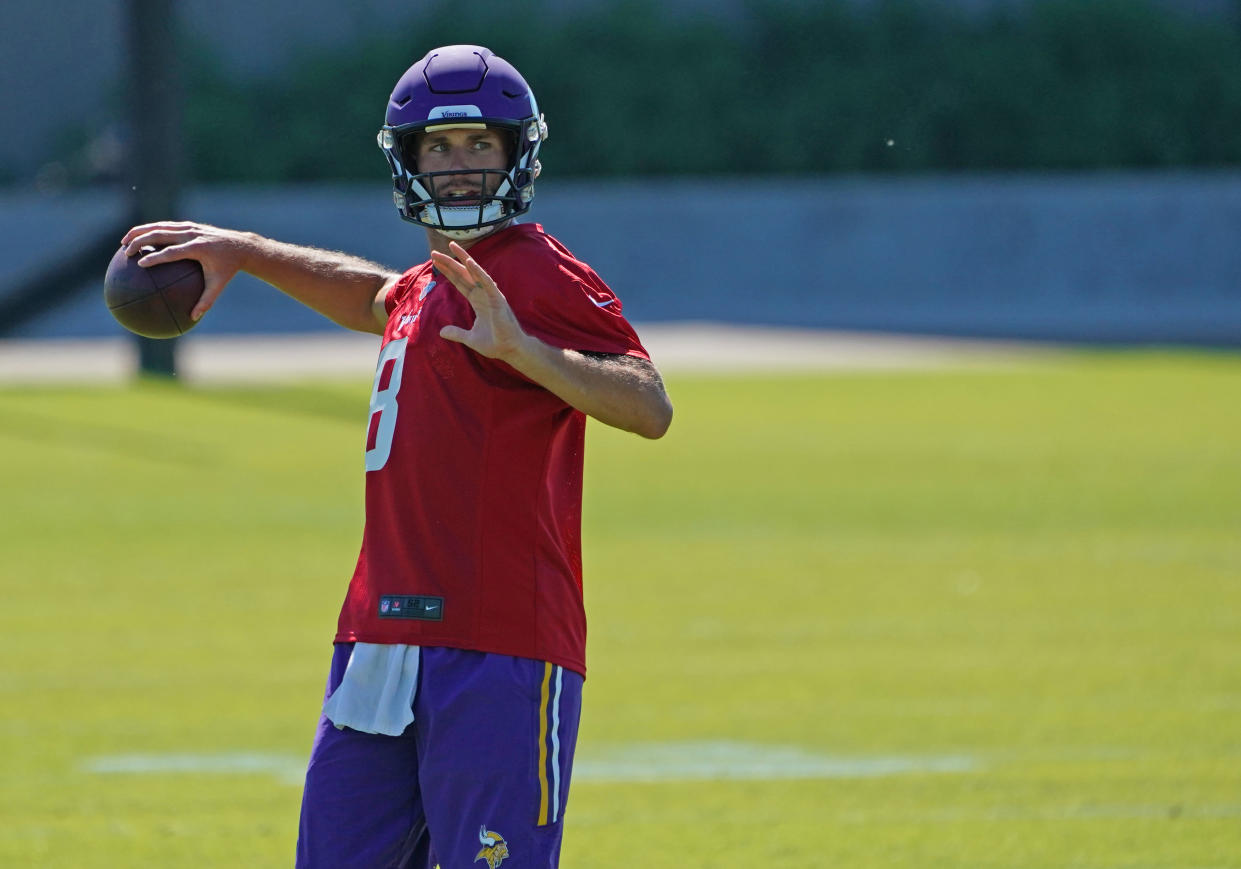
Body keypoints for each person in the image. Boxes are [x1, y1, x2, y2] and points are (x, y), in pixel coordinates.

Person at [120, 44, 672, 869]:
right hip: (376, 642)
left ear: (516, 153)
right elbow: (375, 297)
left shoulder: (538, 272)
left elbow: (648, 404)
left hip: (500, 642)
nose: (458, 167)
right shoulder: (430, 281)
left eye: (479, 145)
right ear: (407, 159)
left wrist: (525, 351)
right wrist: (244, 248)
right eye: (438, 148)